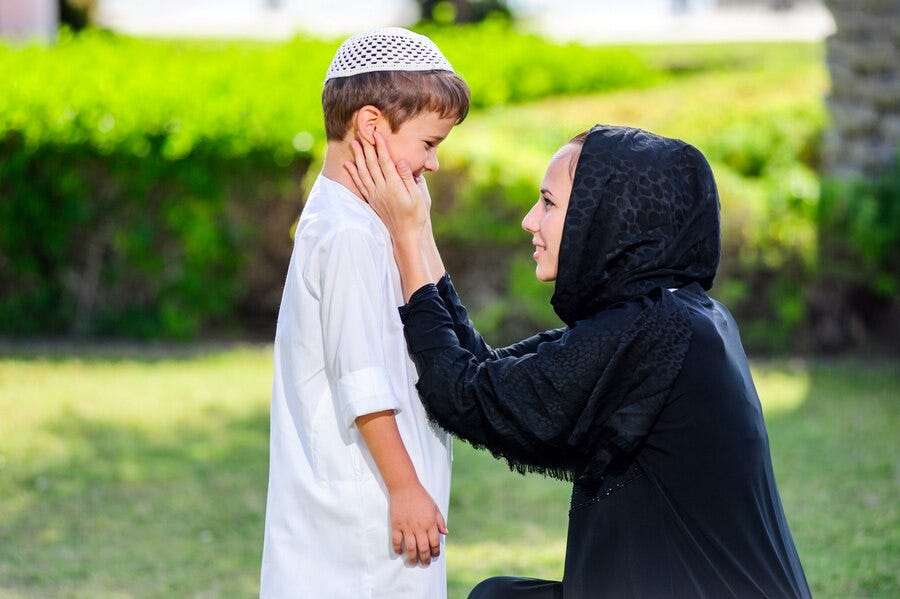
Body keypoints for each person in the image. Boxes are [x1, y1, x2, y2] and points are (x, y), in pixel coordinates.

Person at [345, 125, 812, 598]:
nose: (530, 220)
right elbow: (485, 372)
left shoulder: (651, 329)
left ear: (607, 218)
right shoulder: (681, 314)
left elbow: (463, 394)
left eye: (548, 203)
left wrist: (404, 238)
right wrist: (420, 227)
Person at [259, 28, 470, 598]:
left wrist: (416, 227)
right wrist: (404, 488)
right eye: (429, 143)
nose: (434, 162)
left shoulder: (356, 219)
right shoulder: (348, 233)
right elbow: (360, 378)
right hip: (366, 507)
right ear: (372, 127)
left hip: (375, 496)